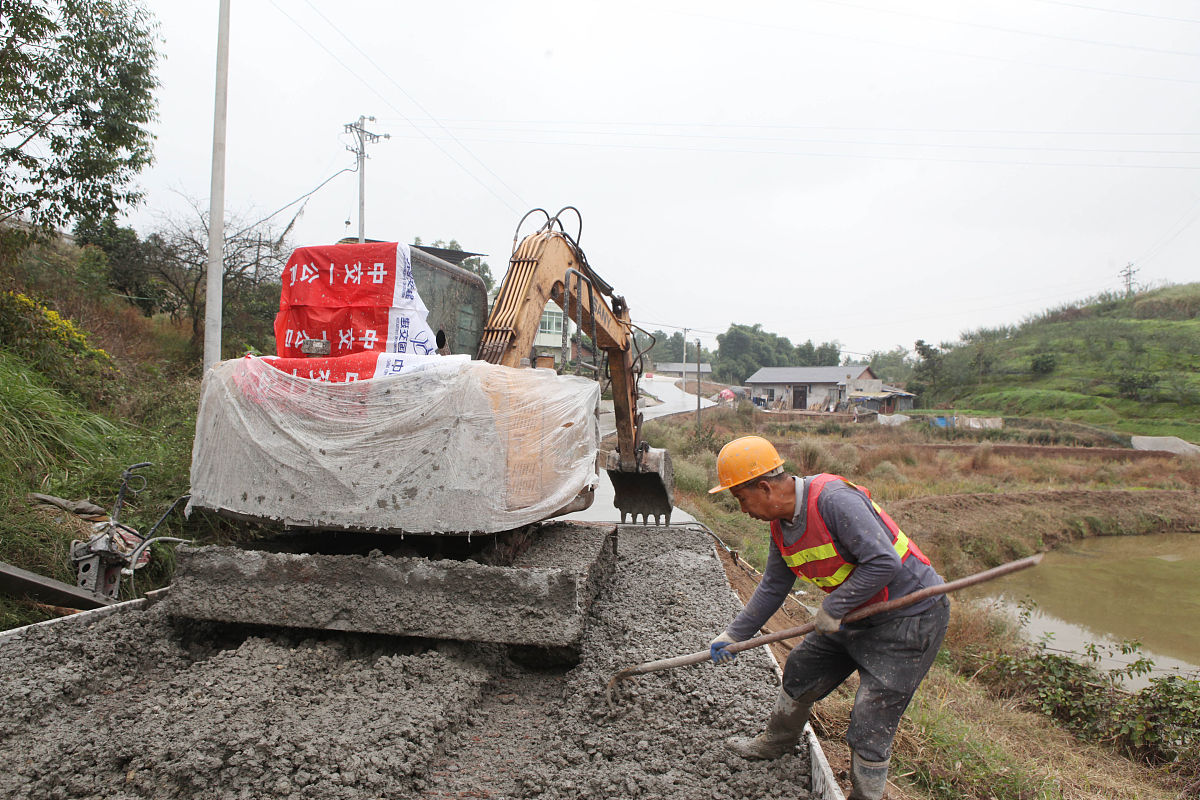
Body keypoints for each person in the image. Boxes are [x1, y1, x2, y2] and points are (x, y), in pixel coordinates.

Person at [707, 436, 949, 800]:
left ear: (764, 487)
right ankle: (776, 742)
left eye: (741, 499)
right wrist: (734, 634)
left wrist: (833, 609)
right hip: (856, 611)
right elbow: (773, 585)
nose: (742, 509)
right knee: (801, 669)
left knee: (870, 719)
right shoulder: (781, 525)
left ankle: (864, 796)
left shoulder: (833, 499)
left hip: (908, 617)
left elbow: (884, 561)